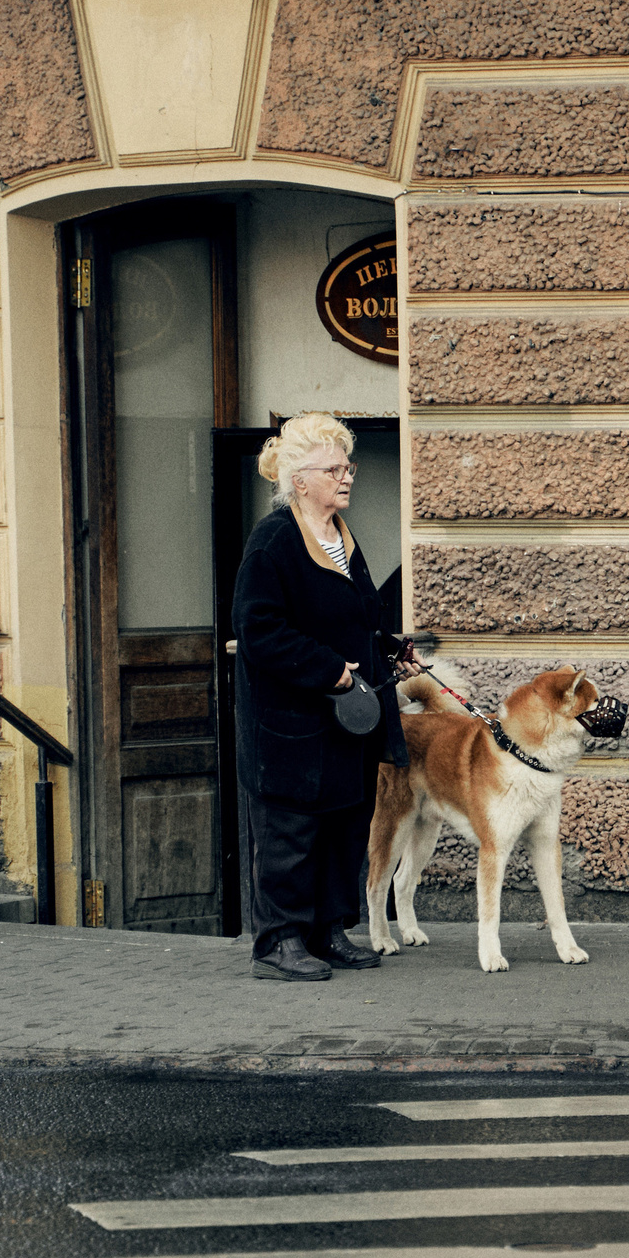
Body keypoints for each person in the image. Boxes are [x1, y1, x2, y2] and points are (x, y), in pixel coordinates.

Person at [232, 413, 406, 982]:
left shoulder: (340, 538)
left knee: (342, 826)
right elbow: (259, 630)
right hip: (290, 726)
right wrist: (330, 670)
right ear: (299, 480)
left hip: (343, 724)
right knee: (290, 833)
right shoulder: (274, 541)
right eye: (333, 469)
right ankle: (279, 943)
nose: (346, 476)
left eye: (347, 466)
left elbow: (352, 617)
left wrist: (389, 651)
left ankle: (328, 931)